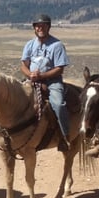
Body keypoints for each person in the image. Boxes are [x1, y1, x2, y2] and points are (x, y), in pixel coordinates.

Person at [20, 13, 70, 150]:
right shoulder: (29, 45)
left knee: (58, 104)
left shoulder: (57, 45)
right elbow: (23, 65)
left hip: (52, 82)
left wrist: (41, 76)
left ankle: (64, 137)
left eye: (43, 26)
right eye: (37, 26)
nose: (40, 28)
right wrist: (30, 74)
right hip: (32, 80)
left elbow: (59, 69)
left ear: (48, 27)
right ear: (34, 28)